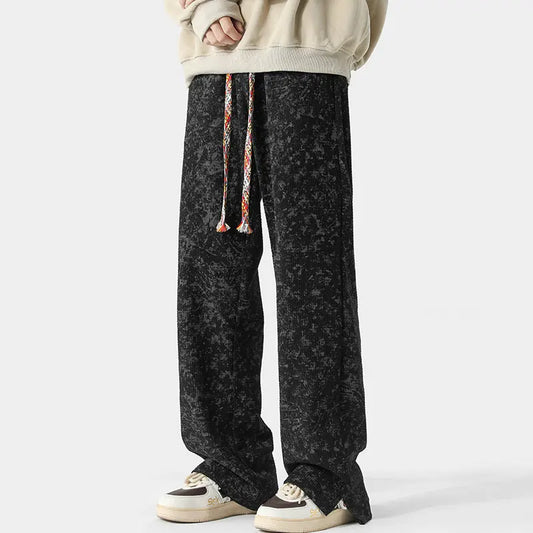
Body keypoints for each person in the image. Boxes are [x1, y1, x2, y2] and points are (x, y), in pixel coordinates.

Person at [158, 1, 387, 531]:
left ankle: (327, 473)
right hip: (216, 63)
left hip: (305, 52)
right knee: (210, 274)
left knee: (313, 273)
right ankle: (232, 465)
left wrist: (339, 29)